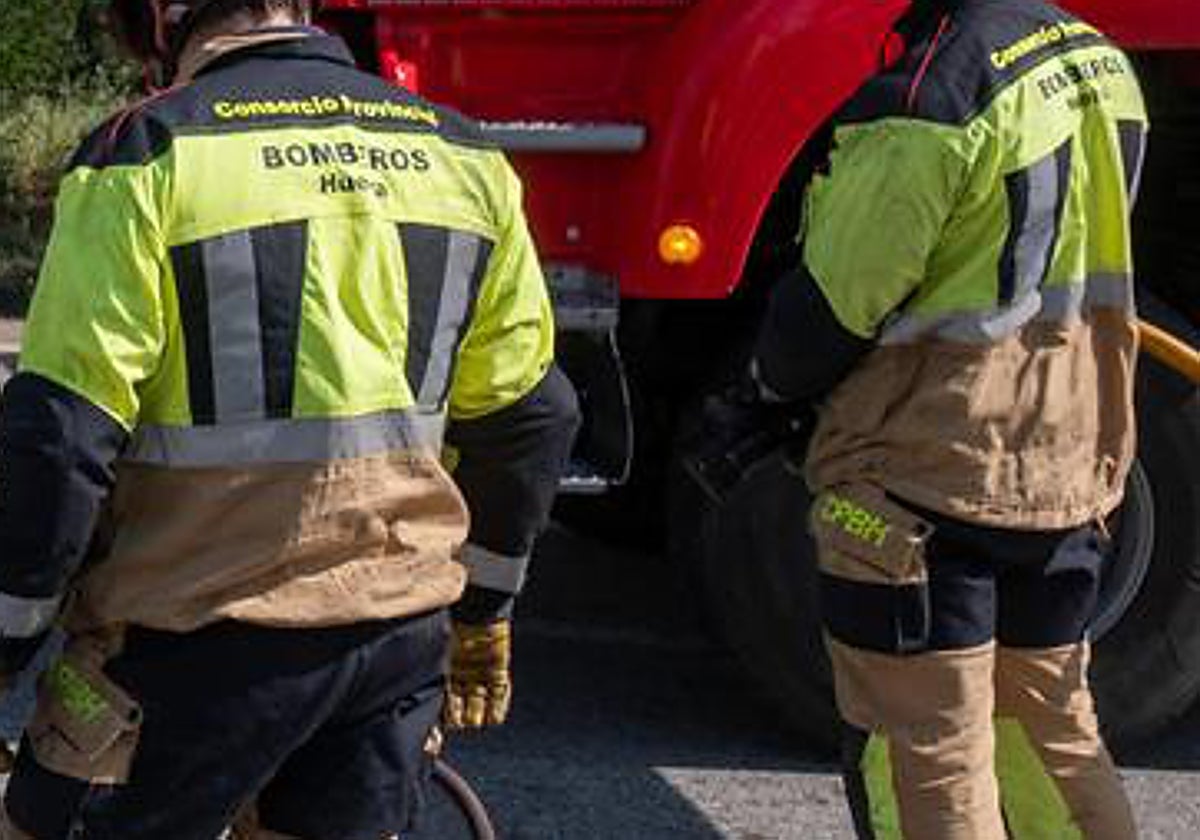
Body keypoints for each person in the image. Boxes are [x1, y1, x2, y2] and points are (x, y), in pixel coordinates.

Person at [0, 0, 579, 836]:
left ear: (163, 15)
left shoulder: (146, 152)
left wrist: (9, 646)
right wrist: (482, 613)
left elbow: (60, 438)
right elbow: (534, 417)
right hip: (394, 650)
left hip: (185, 650)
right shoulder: (461, 156)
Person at [746, 0, 1148, 836]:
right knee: (1052, 732)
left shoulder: (934, 94)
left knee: (928, 749)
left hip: (926, 474)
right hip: (1069, 467)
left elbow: (832, 307)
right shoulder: (1095, 56)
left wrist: (763, 385)